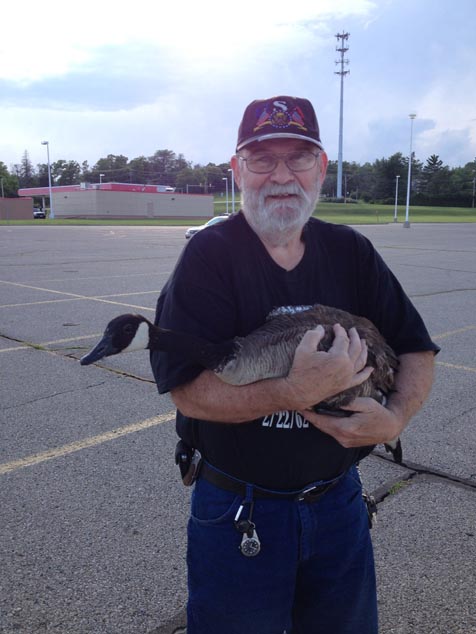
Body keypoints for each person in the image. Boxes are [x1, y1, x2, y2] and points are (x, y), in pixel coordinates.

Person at [150, 95, 439, 634]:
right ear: (238, 169)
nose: (281, 176)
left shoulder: (351, 251)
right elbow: (187, 391)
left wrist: (396, 416)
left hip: (338, 508)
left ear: (320, 168)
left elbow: (416, 347)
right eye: (262, 159)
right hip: (240, 510)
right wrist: (292, 390)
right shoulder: (209, 258)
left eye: (298, 158)